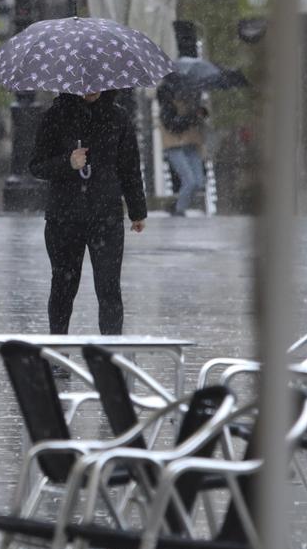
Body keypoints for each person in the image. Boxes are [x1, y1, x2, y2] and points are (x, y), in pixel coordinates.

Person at [29, 89, 147, 353]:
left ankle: (110, 353)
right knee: (63, 286)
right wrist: (67, 162)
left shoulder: (118, 117)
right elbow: (36, 165)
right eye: (83, 83)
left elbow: (129, 166)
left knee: (108, 288)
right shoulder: (55, 116)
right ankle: (59, 352)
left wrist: (137, 210)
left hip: (106, 216)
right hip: (64, 217)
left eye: (95, 83)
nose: (90, 88)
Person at [158, 86, 208, 217]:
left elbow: (198, 120)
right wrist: (191, 117)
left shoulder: (190, 104)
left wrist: (198, 114)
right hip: (175, 145)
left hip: (191, 144)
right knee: (190, 181)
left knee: (198, 182)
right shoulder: (168, 107)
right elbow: (174, 126)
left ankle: (178, 206)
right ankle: (178, 209)